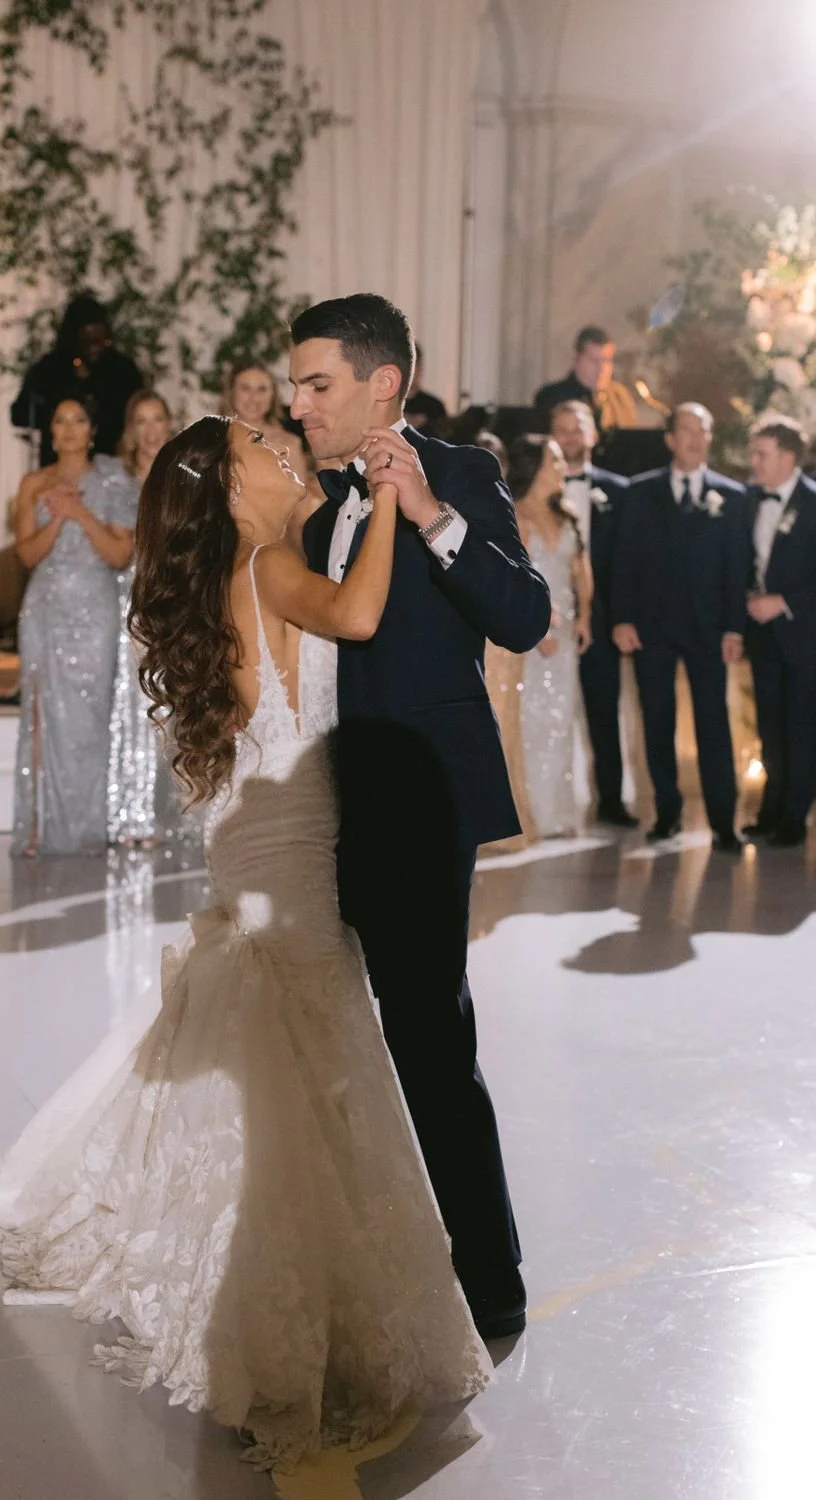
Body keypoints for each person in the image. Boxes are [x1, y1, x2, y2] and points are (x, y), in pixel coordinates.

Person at [0, 415, 490, 1468]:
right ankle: (289, 1320)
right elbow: (359, 612)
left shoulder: (232, 575)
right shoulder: (268, 568)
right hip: (285, 849)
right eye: (258, 444)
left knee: (293, 1057)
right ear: (231, 493)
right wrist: (390, 496)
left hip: (258, 836)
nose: (281, 444)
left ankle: (275, 1271)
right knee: (312, 1060)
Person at [289, 293, 552, 1339]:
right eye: (297, 386)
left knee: (428, 1040)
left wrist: (434, 518)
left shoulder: (465, 475)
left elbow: (524, 617)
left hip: (418, 801)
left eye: (318, 384)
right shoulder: (309, 503)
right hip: (311, 803)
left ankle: (488, 1278)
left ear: (382, 384)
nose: (300, 405)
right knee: (319, 1044)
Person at [611, 402, 749, 853]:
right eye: (686, 430)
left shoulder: (732, 496)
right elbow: (624, 560)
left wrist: (734, 628)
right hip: (651, 626)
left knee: (714, 724)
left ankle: (724, 823)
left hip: (709, 630)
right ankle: (666, 814)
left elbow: (737, 569)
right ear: (670, 439)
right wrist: (622, 618)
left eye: (702, 429)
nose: (695, 438)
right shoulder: (639, 492)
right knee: (656, 721)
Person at [12, 396, 135, 856]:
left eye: (78, 420)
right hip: (45, 608)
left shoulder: (113, 480)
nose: (68, 429)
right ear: (50, 430)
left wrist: (80, 513)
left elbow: (119, 554)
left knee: (89, 716)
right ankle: (42, 829)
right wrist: (58, 516)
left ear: (92, 429)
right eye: (60, 421)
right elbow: (26, 554)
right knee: (43, 714)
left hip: (95, 608)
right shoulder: (33, 483)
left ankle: (88, 826)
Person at [551, 399, 636, 827]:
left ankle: (612, 800)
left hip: (599, 618)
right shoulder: (533, 488)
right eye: (562, 429)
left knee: (604, 711)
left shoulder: (620, 491)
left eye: (577, 428)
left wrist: (620, 617)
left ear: (593, 435)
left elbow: (628, 562)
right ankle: (545, 802)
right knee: (548, 706)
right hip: (546, 615)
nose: (570, 437)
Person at [508, 434, 593, 839]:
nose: (561, 467)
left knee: (562, 717)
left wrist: (585, 616)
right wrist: (538, 626)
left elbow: (581, 573)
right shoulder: (516, 515)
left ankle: (558, 813)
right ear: (536, 468)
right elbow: (517, 580)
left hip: (566, 634)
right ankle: (531, 813)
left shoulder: (567, 515)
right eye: (554, 460)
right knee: (532, 718)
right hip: (531, 633)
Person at [743, 415, 816, 847]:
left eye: (762, 454)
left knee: (802, 726)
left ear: (789, 457)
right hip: (762, 636)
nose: (754, 462)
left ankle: (795, 816)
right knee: (769, 725)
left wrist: (785, 601)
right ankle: (770, 809)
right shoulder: (750, 499)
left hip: (805, 634)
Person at [108, 390, 170, 846]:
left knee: (174, 699)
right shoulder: (118, 481)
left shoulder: (186, 476)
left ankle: (174, 811)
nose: (150, 430)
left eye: (157, 419)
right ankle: (131, 813)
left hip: (176, 596)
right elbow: (119, 546)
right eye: (141, 421)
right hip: (132, 597)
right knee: (132, 703)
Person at [11, 294, 143, 467]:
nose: (93, 345)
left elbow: (136, 414)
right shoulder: (49, 368)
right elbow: (20, 414)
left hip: (110, 464)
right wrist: (61, 415)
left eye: (98, 337)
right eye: (86, 338)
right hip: (59, 464)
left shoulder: (123, 370)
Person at [221, 358, 307, 475]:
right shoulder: (213, 441)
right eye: (245, 388)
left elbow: (300, 486)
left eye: (262, 389)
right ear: (231, 393)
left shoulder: (289, 445)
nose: (254, 398)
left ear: (273, 395)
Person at [534, 325, 613, 416]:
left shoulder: (619, 398)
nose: (602, 368)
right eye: (593, 360)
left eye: (607, 360)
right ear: (576, 359)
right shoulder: (552, 396)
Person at [404, 344, 448, 435]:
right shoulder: (387, 405)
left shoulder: (434, 406)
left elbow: (443, 439)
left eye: (412, 366)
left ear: (420, 368)